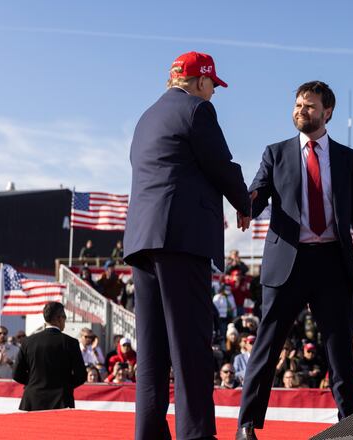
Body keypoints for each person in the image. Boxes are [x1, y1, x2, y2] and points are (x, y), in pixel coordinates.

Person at [237, 81, 353, 440]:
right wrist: (245, 204)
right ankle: (247, 425)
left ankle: (352, 425)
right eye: (298, 105)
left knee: (339, 351)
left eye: (310, 106)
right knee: (266, 348)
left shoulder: (349, 161)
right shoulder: (276, 153)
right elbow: (257, 194)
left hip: (333, 265)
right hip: (287, 263)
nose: (301, 111)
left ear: (327, 112)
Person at [123, 50, 251, 440]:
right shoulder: (197, 111)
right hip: (180, 241)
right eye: (212, 85)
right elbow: (220, 164)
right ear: (200, 81)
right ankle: (196, 434)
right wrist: (244, 203)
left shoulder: (147, 117)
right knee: (191, 345)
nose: (213, 93)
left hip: (143, 242)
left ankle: (149, 432)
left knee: (153, 351)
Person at [13, 302, 87, 411]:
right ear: (59, 318)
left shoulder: (28, 342)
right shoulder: (71, 343)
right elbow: (81, 376)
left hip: (33, 400)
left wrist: (34, 383)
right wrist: (65, 386)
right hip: (61, 400)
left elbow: (17, 374)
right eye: (65, 317)